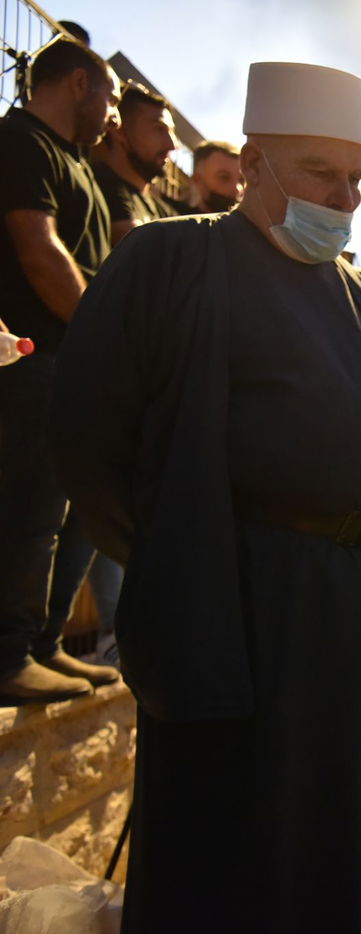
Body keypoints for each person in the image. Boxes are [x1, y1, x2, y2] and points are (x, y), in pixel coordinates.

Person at [52, 62, 361, 932]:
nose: (348, 197)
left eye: (357, 176)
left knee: (339, 850)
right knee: (234, 861)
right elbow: (85, 435)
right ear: (253, 158)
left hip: (351, 630)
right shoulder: (171, 259)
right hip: (237, 611)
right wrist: (182, 556)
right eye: (320, 172)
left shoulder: (354, 296)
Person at [0, 37, 120, 703]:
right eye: (107, 95)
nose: (110, 112)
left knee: (74, 511)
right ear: (79, 83)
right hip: (26, 356)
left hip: (73, 362)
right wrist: (103, 337)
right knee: (30, 505)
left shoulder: (79, 166)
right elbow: (40, 254)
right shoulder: (19, 142)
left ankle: (42, 643)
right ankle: (7, 653)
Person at [90, 82, 181, 244]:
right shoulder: (100, 187)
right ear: (120, 131)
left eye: (171, 132)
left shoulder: (162, 209)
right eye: (159, 129)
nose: (171, 145)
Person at [187, 140, 244, 213]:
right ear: (197, 180)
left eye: (241, 180)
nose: (237, 189)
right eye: (224, 177)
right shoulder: (174, 221)